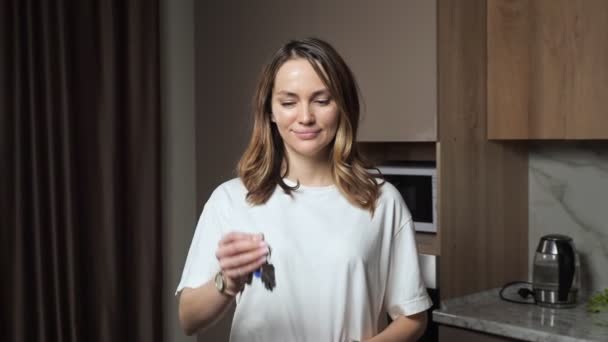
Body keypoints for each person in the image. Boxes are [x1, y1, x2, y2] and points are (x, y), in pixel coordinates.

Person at [176, 37, 432, 342]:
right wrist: (228, 282)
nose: (306, 116)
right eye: (288, 102)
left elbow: (413, 318)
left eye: (322, 101)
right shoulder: (231, 199)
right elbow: (189, 319)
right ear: (270, 111)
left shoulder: (381, 200)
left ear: (342, 107)